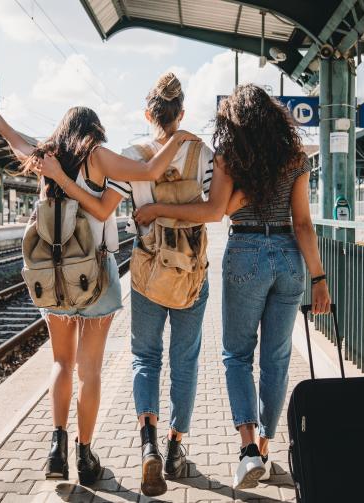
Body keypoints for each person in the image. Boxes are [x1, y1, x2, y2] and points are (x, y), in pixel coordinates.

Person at [0, 61, 197, 485]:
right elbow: (149, 172)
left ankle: (56, 448)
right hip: (96, 275)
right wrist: (176, 135)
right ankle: (86, 458)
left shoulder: (46, 158)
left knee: (61, 363)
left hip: (53, 278)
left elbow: (6, 132)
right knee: (90, 371)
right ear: (93, 131)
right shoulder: (98, 156)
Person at [134, 84, 332, 490]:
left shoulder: (230, 158)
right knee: (276, 360)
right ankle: (264, 448)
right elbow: (304, 225)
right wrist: (319, 279)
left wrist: (156, 209)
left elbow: (212, 211)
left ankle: (247, 452)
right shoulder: (295, 159)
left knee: (237, 357)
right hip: (289, 258)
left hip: (245, 254)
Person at [37, 72, 213, 497]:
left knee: (144, 360)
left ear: (147, 113)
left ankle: (142, 444)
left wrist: (148, 209)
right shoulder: (203, 153)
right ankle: (173, 449)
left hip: (143, 272)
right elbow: (213, 210)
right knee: (183, 361)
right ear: (181, 112)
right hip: (190, 273)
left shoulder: (128, 155)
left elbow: (107, 205)